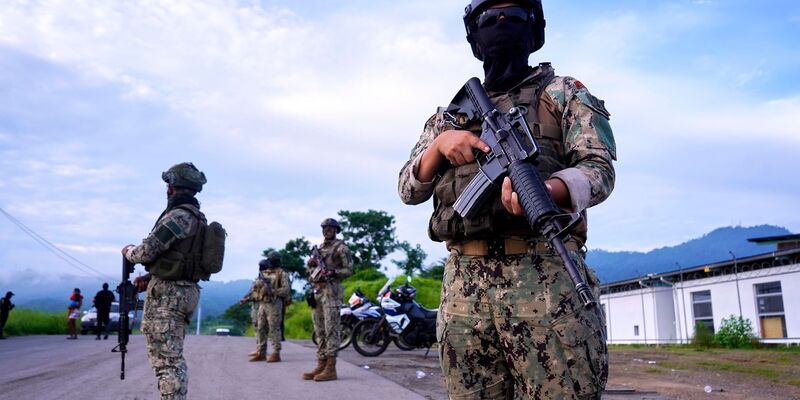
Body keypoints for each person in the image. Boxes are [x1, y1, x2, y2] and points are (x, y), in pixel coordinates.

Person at [398, 1, 616, 398]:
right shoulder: (448, 117)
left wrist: (549, 192)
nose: (502, 24)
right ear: (475, 37)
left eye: (514, 16)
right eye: (489, 19)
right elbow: (408, 190)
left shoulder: (564, 93)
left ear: (533, 31)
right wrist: (439, 148)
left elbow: (599, 170)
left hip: (547, 278)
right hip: (465, 287)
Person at [121, 162, 208, 400]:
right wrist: (151, 277)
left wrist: (129, 251)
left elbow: (148, 251)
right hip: (186, 290)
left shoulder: (178, 216)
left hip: (169, 295)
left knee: (167, 363)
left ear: (172, 187)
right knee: (172, 358)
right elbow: (182, 258)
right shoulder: (198, 218)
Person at [301, 218, 352, 382]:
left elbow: (349, 270)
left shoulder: (341, 248)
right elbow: (311, 274)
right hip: (317, 291)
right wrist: (310, 265)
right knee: (320, 329)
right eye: (324, 227)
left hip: (332, 291)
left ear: (336, 229)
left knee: (331, 329)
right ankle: (321, 364)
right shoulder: (319, 249)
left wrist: (334, 273)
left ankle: (331, 367)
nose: (327, 230)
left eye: (331, 228)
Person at [241, 257, 290, 362]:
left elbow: (286, 290)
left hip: (274, 304)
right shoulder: (264, 273)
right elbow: (256, 289)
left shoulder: (282, 274)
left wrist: (272, 291)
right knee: (261, 327)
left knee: (274, 328)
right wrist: (248, 298)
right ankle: (261, 352)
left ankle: (276, 353)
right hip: (263, 303)